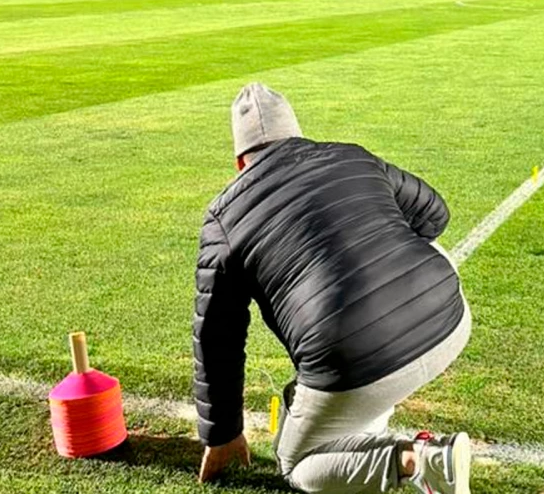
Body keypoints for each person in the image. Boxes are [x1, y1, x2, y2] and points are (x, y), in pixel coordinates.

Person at [194, 82, 473, 494]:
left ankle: (419, 460)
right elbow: (435, 214)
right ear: (298, 135)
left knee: (296, 463)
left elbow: (217, 337)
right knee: (420, 247)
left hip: (359, 361)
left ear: (240, 162)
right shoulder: (351, 155)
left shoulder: (224, 218)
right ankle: (371, 420)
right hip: (450, 318)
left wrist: (223, 436)